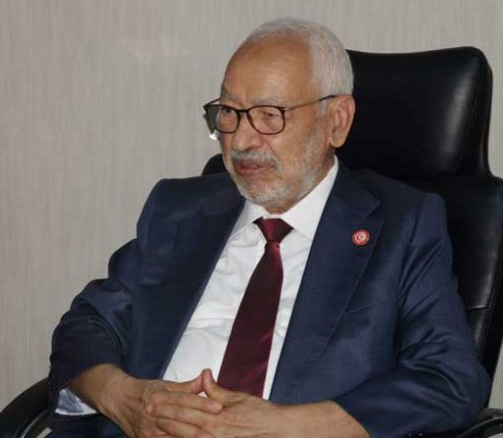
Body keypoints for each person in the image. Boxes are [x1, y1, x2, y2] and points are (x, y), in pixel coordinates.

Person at [48, 18, 490, 438]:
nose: (241, 140)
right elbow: (88, 323)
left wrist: (292, 426)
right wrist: (126, 398)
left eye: (269, 114)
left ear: (336, 121)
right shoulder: (181, 210)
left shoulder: (401, 225)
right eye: (229, 112)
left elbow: (450, 377)